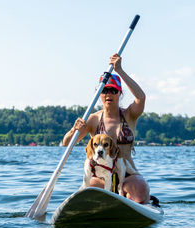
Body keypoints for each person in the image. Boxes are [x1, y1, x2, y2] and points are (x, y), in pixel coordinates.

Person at [63, 53, 149, 204]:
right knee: (91, 191)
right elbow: (66, 143)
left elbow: (141, 98)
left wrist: (120, 70)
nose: (109, 94)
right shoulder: (93, 120)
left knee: (140, 190)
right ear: (100, 94)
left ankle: (132, 204)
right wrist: (73, 130)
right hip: (100, 174)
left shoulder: (130, 115)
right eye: (105, 90)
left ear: (119, 93)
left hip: (127, 173)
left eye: (113, 91)